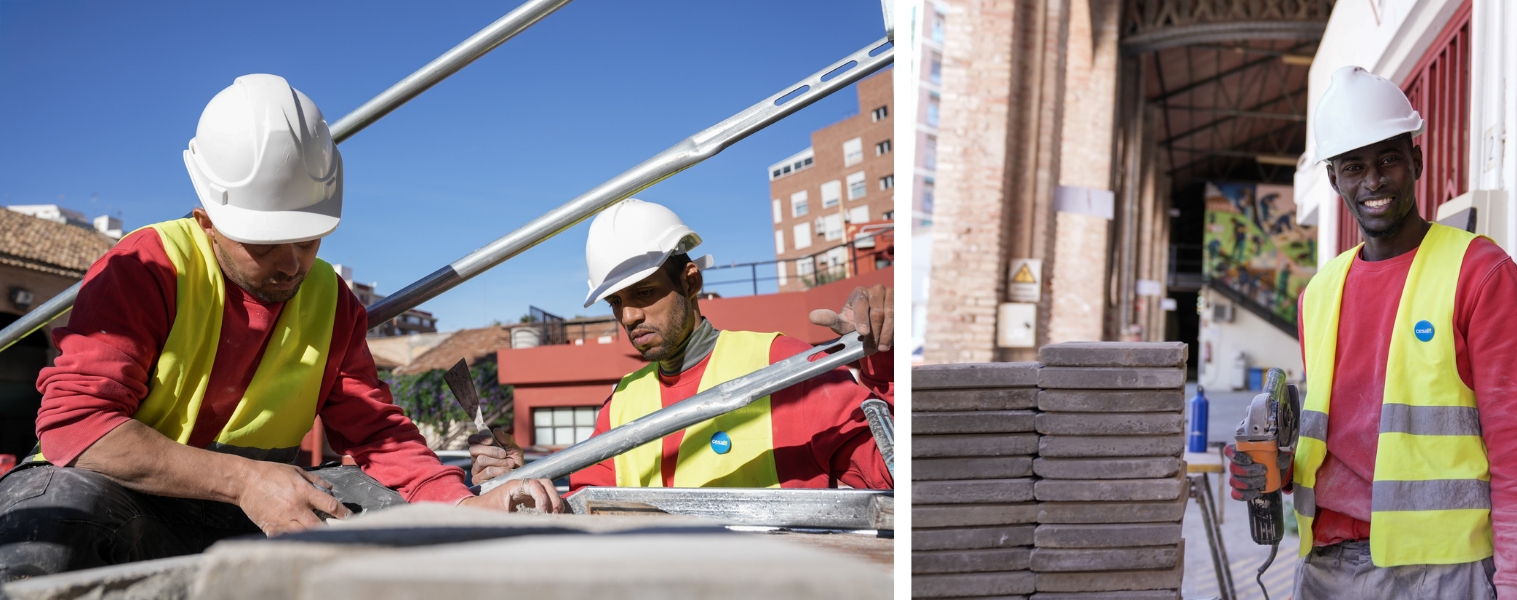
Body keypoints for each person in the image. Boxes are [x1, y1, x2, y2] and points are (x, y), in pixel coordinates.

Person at [0, 74, 560, 582]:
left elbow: (376, 435)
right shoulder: (148, 266)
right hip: (128, 494)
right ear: (208, 222)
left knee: (394, 521)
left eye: (309, 240)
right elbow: (78, 426)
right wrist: (244, 480)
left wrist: (457, 506)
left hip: (255, 506)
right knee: (52, 517)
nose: (292, 264)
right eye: (265, 244)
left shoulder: (329, 300)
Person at [1225, 66, 1517, 599]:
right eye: (1354, 167)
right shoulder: (1320, 293)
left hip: (1441, 574)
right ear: (1334, 179)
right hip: (1324, 567)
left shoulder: (1480, 273)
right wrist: (1277, 469)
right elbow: (1340, 435)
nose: (1373, 181)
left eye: (1389, 160)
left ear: (1416, 160)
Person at [469, 199, 893, 491]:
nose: (629, 316)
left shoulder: (785, 366)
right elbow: (587, 512)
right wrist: (527, 483)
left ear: (691, 281)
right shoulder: (621, 402)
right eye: (617, 301)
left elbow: (894, 475)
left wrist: (883, 363)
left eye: (644, 293)